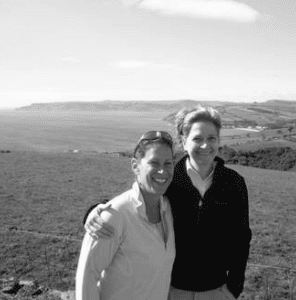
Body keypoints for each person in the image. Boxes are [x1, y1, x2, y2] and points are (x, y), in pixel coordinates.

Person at [85, 106, 252, 300]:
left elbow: (242, 238)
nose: (205, 146)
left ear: (218, 140)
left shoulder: (234, 183)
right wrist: (94, 211)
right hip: (171, 291)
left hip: (217, 291)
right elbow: (137, 199)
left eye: (211, 138)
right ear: (184, 141)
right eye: (197, 138)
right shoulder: (169, 179)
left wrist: (234, 288)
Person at [76, 131, 176, 300]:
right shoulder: (114, 216)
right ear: (135, 166)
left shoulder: (168, 208)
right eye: (154, 163)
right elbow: (86, 276)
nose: (162, 171)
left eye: (168, 163)